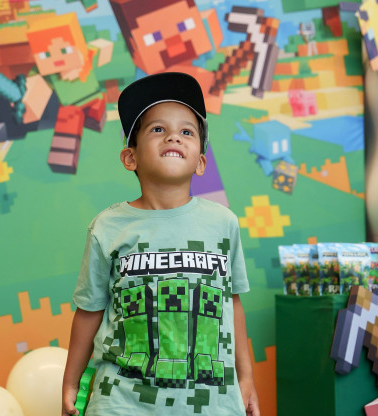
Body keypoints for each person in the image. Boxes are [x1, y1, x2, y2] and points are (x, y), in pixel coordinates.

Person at [62, 72, 259, 416]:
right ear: (131, 158)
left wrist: (246, 377)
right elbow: (89, 311)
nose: (173, 136)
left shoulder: (222, 223)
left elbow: (232, 302)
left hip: (211, 404)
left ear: (200, 162)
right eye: (157, 129)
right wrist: (71, 382)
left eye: (187, 132)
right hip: (122, 402)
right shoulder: (108, 227)